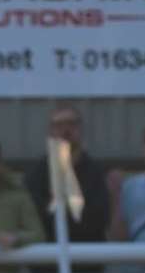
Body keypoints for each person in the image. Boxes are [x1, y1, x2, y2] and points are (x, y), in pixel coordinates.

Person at [24, 104, 113, 243]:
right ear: (50, 132)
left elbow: (100, 219)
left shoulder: (97, 172)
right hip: (47, 259)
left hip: (88, 258)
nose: (66, 130)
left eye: (72, 124)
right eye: (59, 125)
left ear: (81, 129)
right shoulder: (36, 175)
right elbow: (36, 220)